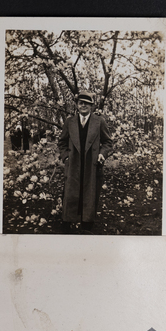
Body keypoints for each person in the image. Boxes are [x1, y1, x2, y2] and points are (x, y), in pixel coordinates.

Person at [57, 91, 113, 232]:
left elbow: (108, 142)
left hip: (91, 165)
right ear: (77, 105)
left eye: (87, 103)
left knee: (89, 193)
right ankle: (67, 223)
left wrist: (102, 154)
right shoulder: (69, 122)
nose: (83, 106)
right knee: (70, 194)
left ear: (91, 106)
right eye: (81, 103)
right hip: (73, 164)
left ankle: (87, 224)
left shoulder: (99, 122)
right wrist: (66, 157)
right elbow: (62, 142)